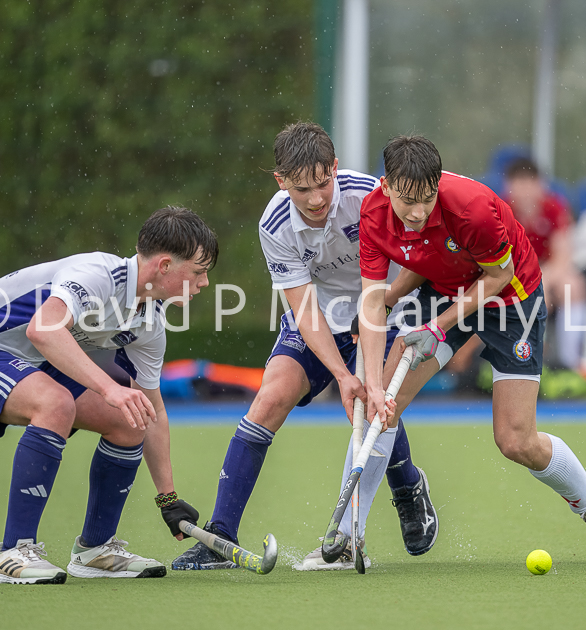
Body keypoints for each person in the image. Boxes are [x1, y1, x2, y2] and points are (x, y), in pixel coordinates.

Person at [172, 122, 437, 572]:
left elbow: (418, 261)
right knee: (270, 397)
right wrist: (341, 374)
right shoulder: (274, 225)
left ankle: (408, 485)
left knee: (376, 406)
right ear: (280, 181)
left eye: (323, 183)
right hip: (320, 316)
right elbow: (304, 309)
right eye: (301, 189)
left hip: (386, 307)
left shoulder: (369, 195)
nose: (316, 199)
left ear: (335, 168)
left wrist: (383, 307)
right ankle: (220, 536)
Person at [357, 135, 586, 561]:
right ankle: (354, 531)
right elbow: (406, 271)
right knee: (384, 404)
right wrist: (377, 360)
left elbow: (497, 276)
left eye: (427, 199)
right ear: (386, 185)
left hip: (511, 301)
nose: (418, 212)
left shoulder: (471, 207)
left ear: (438, 185)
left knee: (514, 439)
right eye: (408, 200)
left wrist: (439, 326)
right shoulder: (375, 213)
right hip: (445, 290)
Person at [0, 206, 214, 583]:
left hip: (32, 362)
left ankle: (95, 550)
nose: (205, 283)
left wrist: (168, 498)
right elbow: (42, 330)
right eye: (198, 272)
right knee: (55, 402)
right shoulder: (96, 275)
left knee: (128, 420)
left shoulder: (149, 322)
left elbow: (152, 411)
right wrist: (110, 387)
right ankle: (12, 552)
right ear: (164, 266)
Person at [504, 157, 586, 370]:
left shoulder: (554, 207)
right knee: (536, 298)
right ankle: (524, 360)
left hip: (547, 272)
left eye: (530, 183)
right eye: (519, 183)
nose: (525, 191)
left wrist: (540, 283)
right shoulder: (501, 210)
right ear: (509, 186)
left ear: (541, 184)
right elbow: (501, 260)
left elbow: (563, 255)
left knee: (573, 287)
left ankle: (571, 362)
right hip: (513, 274)